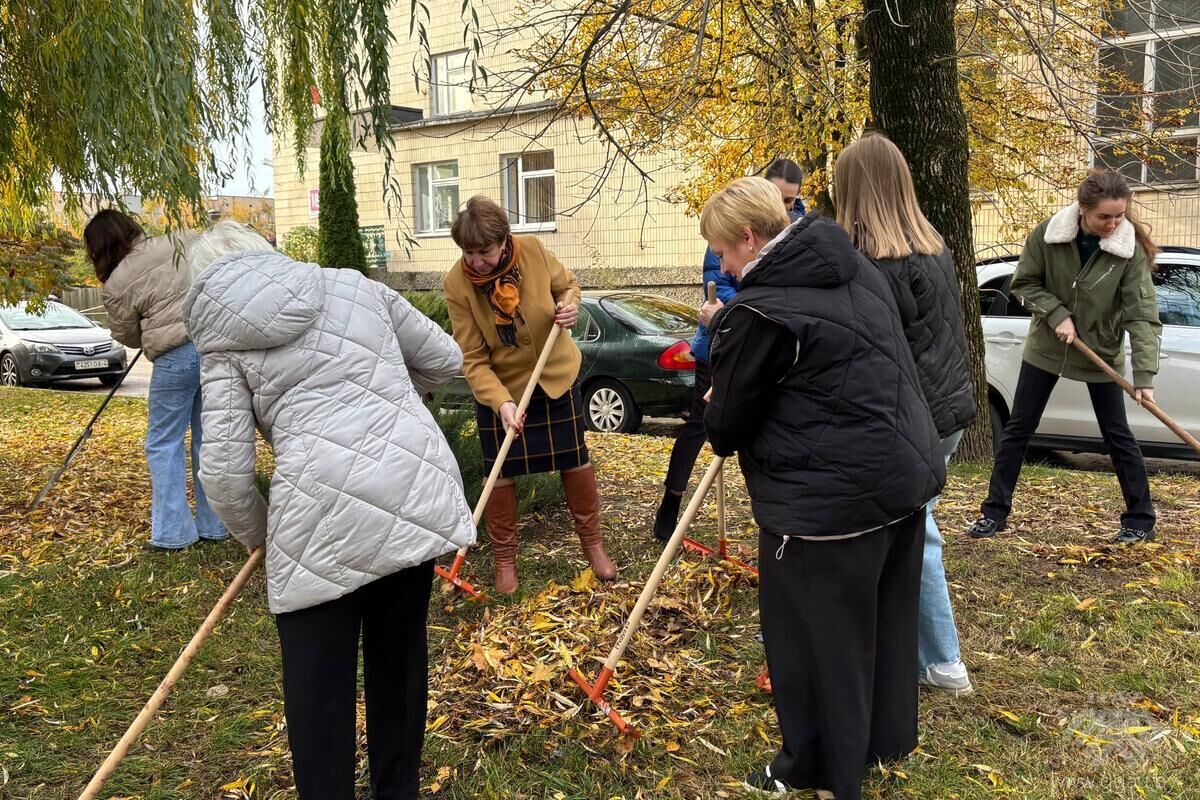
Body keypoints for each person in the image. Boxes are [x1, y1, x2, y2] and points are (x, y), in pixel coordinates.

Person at [182, 220, 475, 800]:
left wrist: (260, 533)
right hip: (407, 492)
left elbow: (224, 472)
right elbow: (445, 358)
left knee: (318, 698)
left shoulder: (219, 341)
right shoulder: (353, 285)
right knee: (400, 663)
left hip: (313, 520)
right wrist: (389, 393)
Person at [701, 178, 944, 799]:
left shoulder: (756, 313)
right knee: (884, 619)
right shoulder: (856, 266)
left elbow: (726, 426)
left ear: (750, 239)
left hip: (825, 507)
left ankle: (815, 766)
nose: (723, 265)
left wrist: (717, 372)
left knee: (816, 640)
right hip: (900, 480)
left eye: (723, 252)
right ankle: (883, 740)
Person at [835, 134, 978, 697]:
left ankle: (941, 661)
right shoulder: (933, 246)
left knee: (910, 536)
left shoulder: (874, 264)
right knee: (910, 529)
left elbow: (868, 355)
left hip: (906, 420)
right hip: (946, 413)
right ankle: (910, 651)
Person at [968, 170, 1162, 544]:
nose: (1113, 223)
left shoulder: (1129, 250)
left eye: (1119, 215)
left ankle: (1140, 519)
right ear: (1083, 210)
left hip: (1099, 351)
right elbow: (1025, 284)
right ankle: (994, 513)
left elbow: (1142, 315)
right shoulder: (1048, 235)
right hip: (1047, 346)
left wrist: (1145, 377)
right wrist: (1057, 314)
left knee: (1117, 435)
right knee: (1018, 430)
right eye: (1104, 216)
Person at [443, 195, 616, 593]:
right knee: (499, 473)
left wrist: (569, 307)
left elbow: (568, 286)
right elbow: (472, 356)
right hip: (501, 389)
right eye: (468, 253)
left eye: (484, 252)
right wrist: (501, 402)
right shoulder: (457, 284)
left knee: (574, 460)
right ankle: (506, 562)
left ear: (504, 241)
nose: (476, 262)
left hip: (554, 375)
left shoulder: (534, 251)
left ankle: (594, 546)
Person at [652, 157, 805, 540]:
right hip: (720, 343)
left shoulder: (803, 231)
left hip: (760, 346)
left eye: (790, 202)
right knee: (703, 424)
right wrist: (731, 316)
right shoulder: (729, 232)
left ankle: (777, 524)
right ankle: (671, 502)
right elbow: (721, 281)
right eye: (778, 199)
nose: (784, 209)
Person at [84, 209, 227, 551]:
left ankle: (173, 533)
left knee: (164, 442)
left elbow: (128, 336)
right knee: (207, 440)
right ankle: (216, 524)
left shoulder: (116, 281)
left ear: (98, 249)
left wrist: (151, 323)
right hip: (211, 346)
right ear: (131, 228)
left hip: (173, 358)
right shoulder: (183, 240)